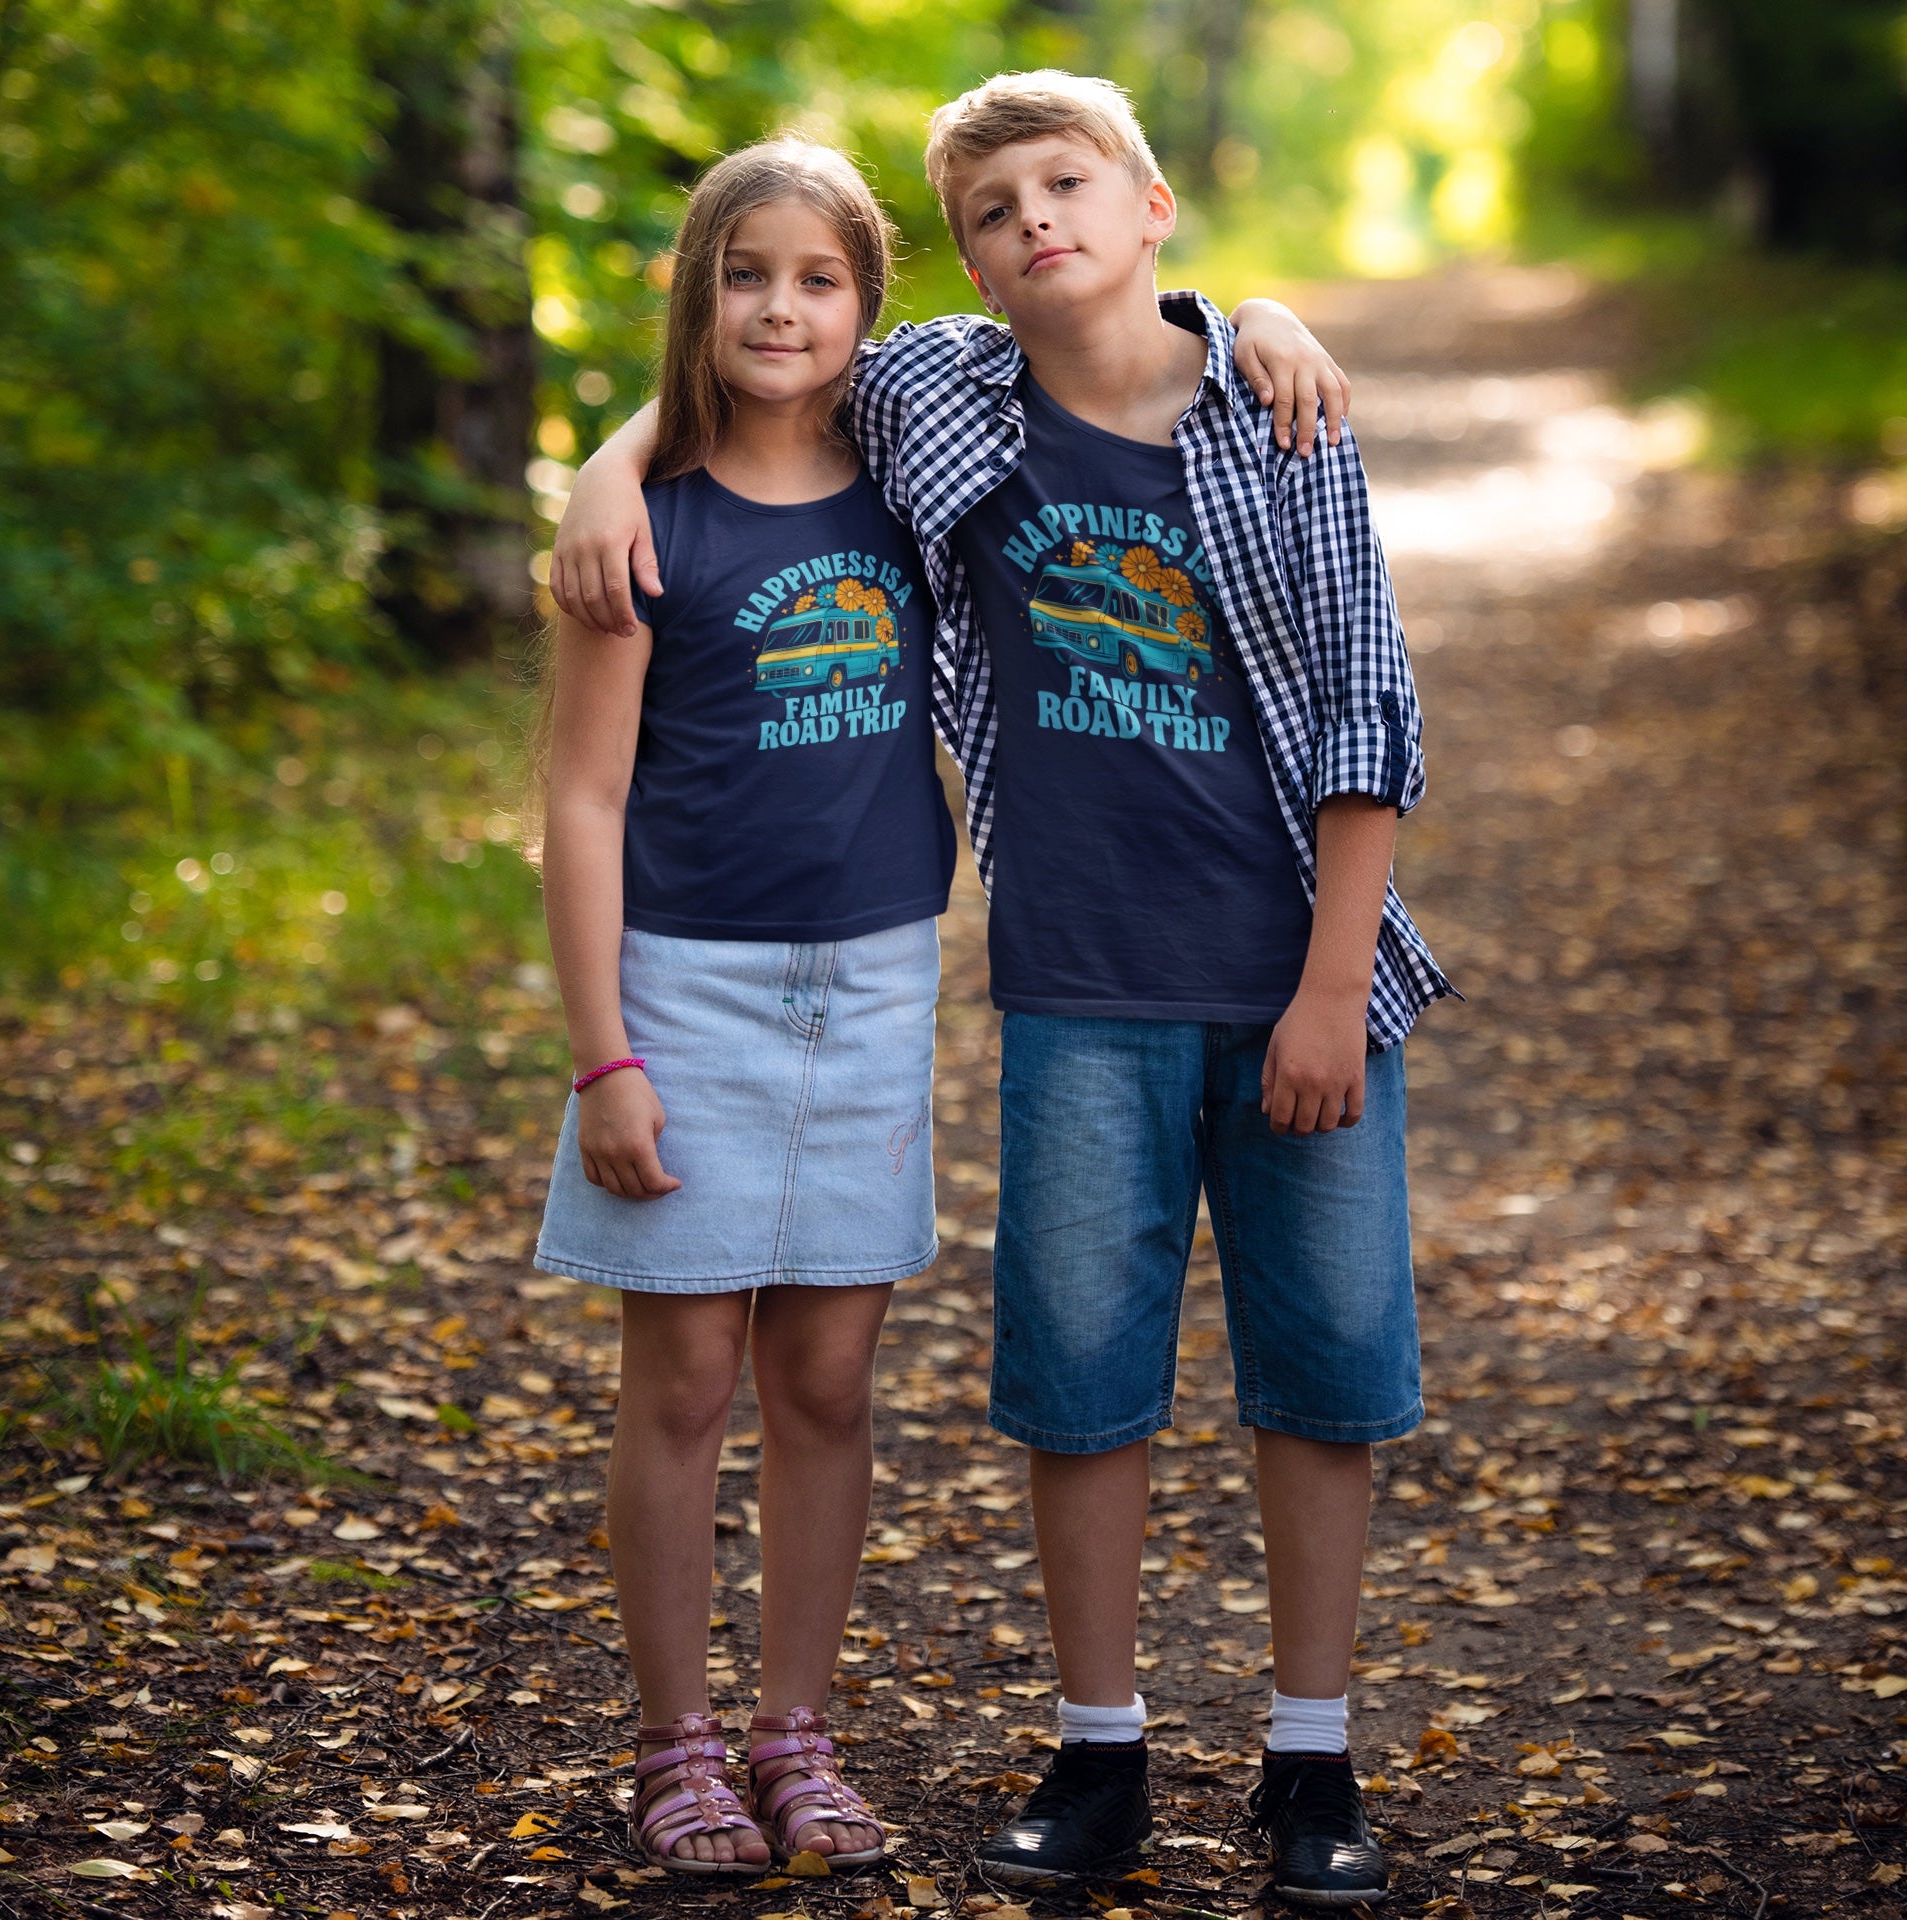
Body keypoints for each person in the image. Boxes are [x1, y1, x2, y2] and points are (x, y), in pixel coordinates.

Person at [549, 83, 1406, 1907]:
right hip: (1072, 983)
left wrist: (1255, 307)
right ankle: (1097, 1753)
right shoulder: (949, 406)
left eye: (1067, 188)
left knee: (1317, 1376)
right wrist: (606, 462)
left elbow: (1363, 711)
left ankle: (1313, 1757)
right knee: (1079, 1385)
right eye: (996, 209)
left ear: (1152, 203)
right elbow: (763, 350)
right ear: (965, 262)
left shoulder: (1279, 416)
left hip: (1290, 986)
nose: (1037, 225)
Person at [531, 139, 955, 1875]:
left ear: (866, 302)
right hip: (685, 989)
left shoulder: (919, 485)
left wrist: (1266, 319)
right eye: (744, 273)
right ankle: (677, 1743)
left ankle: (796, 1735)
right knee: (690, 1372)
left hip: (874, 980)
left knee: (832, 1380)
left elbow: (1084, 349)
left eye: (819, 278)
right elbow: (580, 801)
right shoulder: (648, 526)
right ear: (698, 292)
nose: (780, 307)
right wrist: (602, 1058)